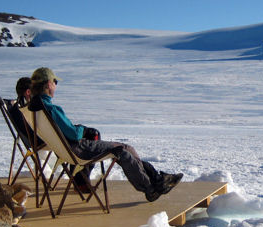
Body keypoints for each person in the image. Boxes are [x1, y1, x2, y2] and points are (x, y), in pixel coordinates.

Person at [28, 67, 182, 202]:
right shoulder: (51, 109)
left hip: (67, 148)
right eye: (55, 82)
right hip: (78, 148)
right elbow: (74, 134)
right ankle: (151, 188)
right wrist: (81, 128)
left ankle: (156, 179)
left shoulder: (35, 108)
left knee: (125, 148)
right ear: (48, 84)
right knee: (123, 150)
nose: (56, 85)